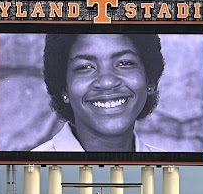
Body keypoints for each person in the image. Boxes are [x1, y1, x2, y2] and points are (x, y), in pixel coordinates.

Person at [32, 33, 165, 152]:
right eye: (85, 67)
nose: (107, 82)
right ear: (64, 88)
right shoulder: (31, 172)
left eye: (124, 63)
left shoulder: (173, 171)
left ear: (149, 80)